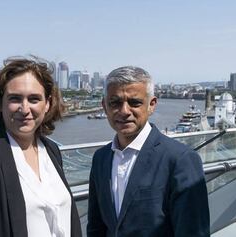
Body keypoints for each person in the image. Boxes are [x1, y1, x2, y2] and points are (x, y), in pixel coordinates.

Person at [0, 57, 82, 237]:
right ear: (0, 103)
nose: (24, 108)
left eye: (34, 99)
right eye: (15, 98)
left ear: (47, 103)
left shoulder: (51, 150)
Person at [87, 66, 210, 237]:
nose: (124, 111)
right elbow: (96, 225)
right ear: (104, 106)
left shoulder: (180, 160)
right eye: (115, 102)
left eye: (134, 102)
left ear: (152, 105)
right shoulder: (100, 158)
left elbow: (192, 231)